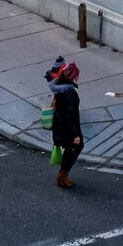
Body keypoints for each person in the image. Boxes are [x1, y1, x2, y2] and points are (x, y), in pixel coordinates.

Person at [48, 61, 82, 190]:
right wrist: (76, 134)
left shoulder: (61, 87)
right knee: (75, 147)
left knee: (71, 148)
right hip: (67, 128)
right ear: (74, 77)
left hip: (60, 124)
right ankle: (63, 175)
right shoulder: (70, 93)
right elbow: (71, 114)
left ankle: (63, 174)